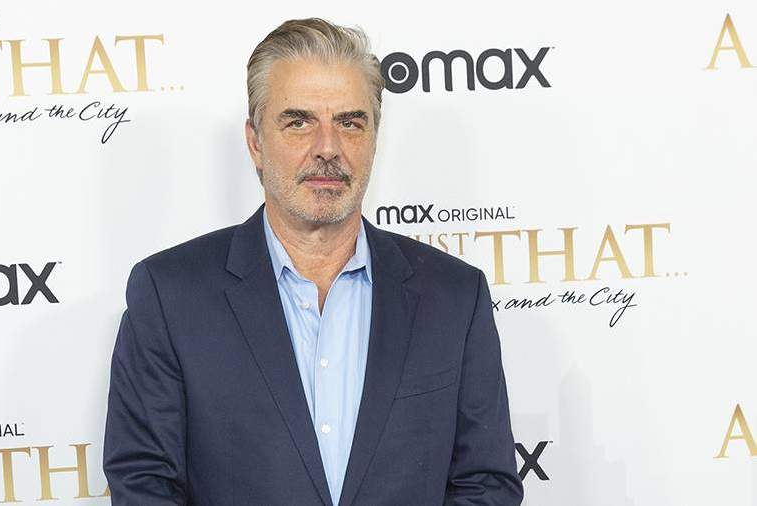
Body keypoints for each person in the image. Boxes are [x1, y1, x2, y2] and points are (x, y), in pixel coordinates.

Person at [103, 17, 523, 505]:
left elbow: (486, 485)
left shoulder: (455, 297)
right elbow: (144, 486)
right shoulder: (170, 295)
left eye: (350, 122)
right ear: (256, 143)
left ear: (374, 139)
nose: (328, 148)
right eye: (298, 122)